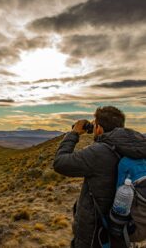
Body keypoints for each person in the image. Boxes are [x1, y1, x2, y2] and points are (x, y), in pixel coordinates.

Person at [53, 106, 146, 248]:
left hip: (96, 233)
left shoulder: (99, 152)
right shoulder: (138, 147)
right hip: (124, 228)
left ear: (99, 128)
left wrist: (74, 133)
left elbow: (60, 163)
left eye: (95, 125)